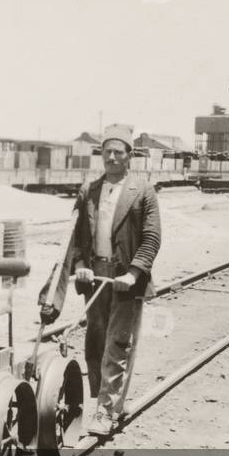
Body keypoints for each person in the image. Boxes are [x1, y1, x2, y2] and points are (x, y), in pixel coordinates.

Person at [72, 125, 161, 436]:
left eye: (118, 152)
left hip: (125, 279)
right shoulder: (89, 190)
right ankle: (104, 403)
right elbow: (77, 236)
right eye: (106, 151)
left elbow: (151, 238)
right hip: (94, 276)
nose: (111, 157)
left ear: (129, 156)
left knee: (117, 344)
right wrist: (81, 265)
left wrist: (134, 273)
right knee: (94, 342)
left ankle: (106, 411)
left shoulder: (143, 191)